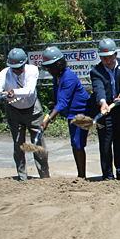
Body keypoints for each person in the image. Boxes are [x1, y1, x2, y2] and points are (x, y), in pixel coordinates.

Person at [0, 48, 49, 181]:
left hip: (32, 111)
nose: (17, 70)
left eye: (19, 67)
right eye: (14, 68)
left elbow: (30, 90)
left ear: (24, 63)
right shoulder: (5, 73)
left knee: (38, 143)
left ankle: (44, 176)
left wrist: (14, 92)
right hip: (14, 110)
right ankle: (22, 176)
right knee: (18, 144)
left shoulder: (32, 70)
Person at [39, 46, 90, 178]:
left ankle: (82, 176)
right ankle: (80, 174)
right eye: (48, 68)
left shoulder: (68, 77)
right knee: (75, 144)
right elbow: (58, 100)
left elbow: (63, 102)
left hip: (81, 113)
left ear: (60, 64)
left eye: (52, 67)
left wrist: (48, 120)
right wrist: (52, 106)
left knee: (78, 145)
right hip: (71, 114)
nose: (50, 70)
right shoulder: (56, 78)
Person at [90, 39, 120, 181]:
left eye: (110, 57)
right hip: (105, 112)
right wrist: (102, 102)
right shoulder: (96, 71)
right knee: (106, 144)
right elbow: (98, 88)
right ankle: (108, 176)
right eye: (104, 58)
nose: (107, 61)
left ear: (115, 54)